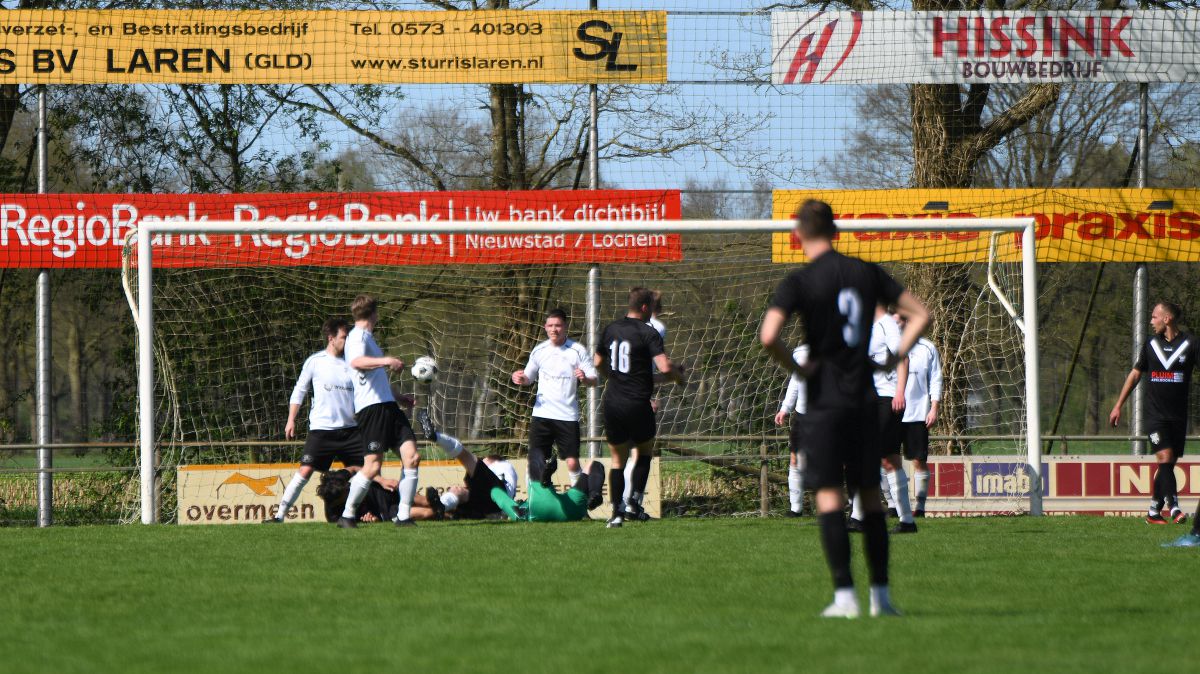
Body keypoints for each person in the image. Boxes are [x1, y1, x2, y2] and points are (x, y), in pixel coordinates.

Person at [759, 199, 928, 618]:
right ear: (836, 232)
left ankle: (845, 597)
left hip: (824, 402)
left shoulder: (799, 281)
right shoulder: (865, 272)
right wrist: (894, 358)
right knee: (869, 495)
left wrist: (798, 368)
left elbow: (768, 336)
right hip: (864, 400)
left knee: (830, 496)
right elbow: (920, 314)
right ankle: (882, 598)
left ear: (797, 236)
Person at [595, 287, 686, 528]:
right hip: (637, 403)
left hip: (613, 403)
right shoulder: (649, 332)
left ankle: (616, 513)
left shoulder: (610, 329)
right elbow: (664, 367)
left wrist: (612, 377)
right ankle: (634, 503)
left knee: (617, 460)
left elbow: (597, 361)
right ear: (645, 308)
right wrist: (678, 376)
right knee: (645, 451)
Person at [265, 318, 363, 523]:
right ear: (331, 338)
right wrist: (291, 420)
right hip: (322, 430)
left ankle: (360, 514)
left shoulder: (353, 362)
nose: (347, 341)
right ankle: (279, 516)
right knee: (305, 470)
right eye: (344, 337)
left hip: (350, 430)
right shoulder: (315, 361)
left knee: (367, 471)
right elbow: (299, 390)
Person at [338, 294, 422, 529]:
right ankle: (347, 515)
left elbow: (376, 380)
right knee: (373, 466)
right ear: (375, 314)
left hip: (388, 406)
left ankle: (403, 516)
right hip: (372, 410)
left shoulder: (369, 339)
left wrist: (399, 397)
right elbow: (356, 362)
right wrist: (387, 361)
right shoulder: (357, 336)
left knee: (412, 457)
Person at [1110, 301, 1194, 525]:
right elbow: (1135, 374)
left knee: (1168, 465)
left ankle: (1153, 511)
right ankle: (1174, 507)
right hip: (1154, 416)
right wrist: (1118, 405)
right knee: (1165, 458)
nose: (1151, 321)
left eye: (1155, 317)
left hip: (1178, 417)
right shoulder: (1150, 344)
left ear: (1167, 319)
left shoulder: (1190, 343)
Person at [511, 308, 598, 490]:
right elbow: (528, 377)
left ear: (565, 326)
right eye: (550, 325)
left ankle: (579, 500)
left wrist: (584, 378)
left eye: (558, 325)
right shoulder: (539, 350)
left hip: (567, 416)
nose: (554, 329)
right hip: (542, 415)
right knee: (535, 461)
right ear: (545, 327)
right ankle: (534, 500)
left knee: (572, 462)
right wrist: (519, 378)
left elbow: (594, 379)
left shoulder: (577, 351)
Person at [850, 304, 917, 534]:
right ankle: (906, 521)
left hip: (886, 399)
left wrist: (899, 392)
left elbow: (903, 358)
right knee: (887, 460)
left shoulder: (887, 324)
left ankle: (859, 517)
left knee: (874, 457)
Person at [625, 289, 668, 516]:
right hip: (639, 396)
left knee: (626, 453)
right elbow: (653, 366)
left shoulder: (620, 327)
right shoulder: (656, 328)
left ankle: (625, 504)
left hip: (620, 395)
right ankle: (631, 503)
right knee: (639, 453)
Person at [895, 310, 941, 517]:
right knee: (887, 460)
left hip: (917, 413)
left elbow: (936, 379)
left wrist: (934, 407)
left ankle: (920, 508)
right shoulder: (888, 346)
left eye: (900, 321)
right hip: (891, 413)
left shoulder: (927, 348)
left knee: (918, 461)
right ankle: (894, 506)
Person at [774, 344, 810, 517]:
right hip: (802, 416)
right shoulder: (800, 352)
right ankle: (796, 509)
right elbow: (795, 382)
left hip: (827, 415)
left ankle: (853, 511)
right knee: (795, 459)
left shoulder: (834, 352)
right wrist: (785, 409)